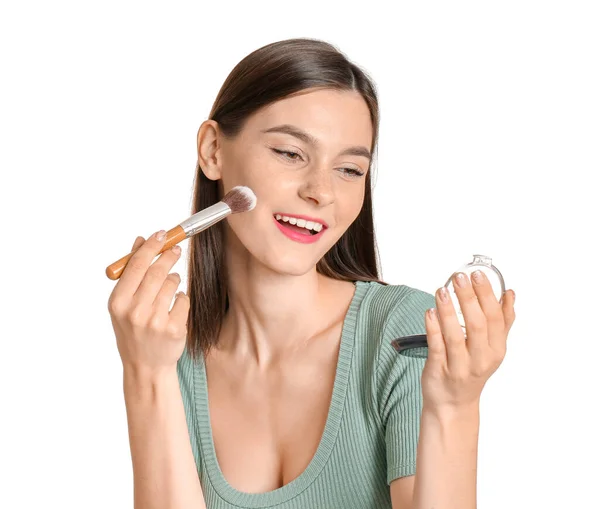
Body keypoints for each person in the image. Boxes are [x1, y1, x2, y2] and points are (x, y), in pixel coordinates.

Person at [107, 38, 516, 509]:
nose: (321, 192)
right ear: (213, 149)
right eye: (289, 153)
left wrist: (455, 407)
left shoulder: (400, 332)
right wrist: (146, 373)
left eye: (349, 169)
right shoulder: (166, 347)